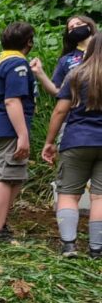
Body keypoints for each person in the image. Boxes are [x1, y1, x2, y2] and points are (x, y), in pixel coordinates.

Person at [0, 22, 44, 242]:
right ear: (29, 42)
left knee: (13, 177)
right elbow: (11, 100)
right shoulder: (17, 63)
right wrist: (23, 135)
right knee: (5, 177)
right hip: (8, 126)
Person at [42, 31, 102, 259]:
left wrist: (49, 142)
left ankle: (69, 245)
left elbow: (60, 111)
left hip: (77, 139)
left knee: (68, 193)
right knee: (100, 197)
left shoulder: (76, 74)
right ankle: (97, 249)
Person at [40, 15, 96, 94]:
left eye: (78, 24)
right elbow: (56, 89)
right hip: (80, 104)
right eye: (71, 28)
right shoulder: (65, 60)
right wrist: (39, 72)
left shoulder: (99, 49)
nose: (75, 27)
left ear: (89, 26)